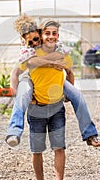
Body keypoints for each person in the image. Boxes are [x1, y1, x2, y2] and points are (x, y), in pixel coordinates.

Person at [6, 14, 100, 148]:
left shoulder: (55, 47)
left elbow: (67, 68)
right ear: (23, 40)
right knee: (22, 94)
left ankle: (90, 134)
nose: (35, 43)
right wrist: (15, 91)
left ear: (40, 35)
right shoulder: (27, 51)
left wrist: (67, 94)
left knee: (78, 96)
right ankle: (14, 131)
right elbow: (24, 66)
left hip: (57, 82)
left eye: (36, 39)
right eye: (31, 42)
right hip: (33, 81)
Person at [23, 20, 69, 179]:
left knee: (59, 148)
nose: (50, 36)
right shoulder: (30, 52)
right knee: (37, 150)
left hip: (57, 108)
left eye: (54, 33)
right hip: (36, 109)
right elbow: (30, 62)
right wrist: (51, 63)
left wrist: (69, 91)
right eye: (47, 33)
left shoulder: (60, 51)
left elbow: (69, 69)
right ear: (41, 35)